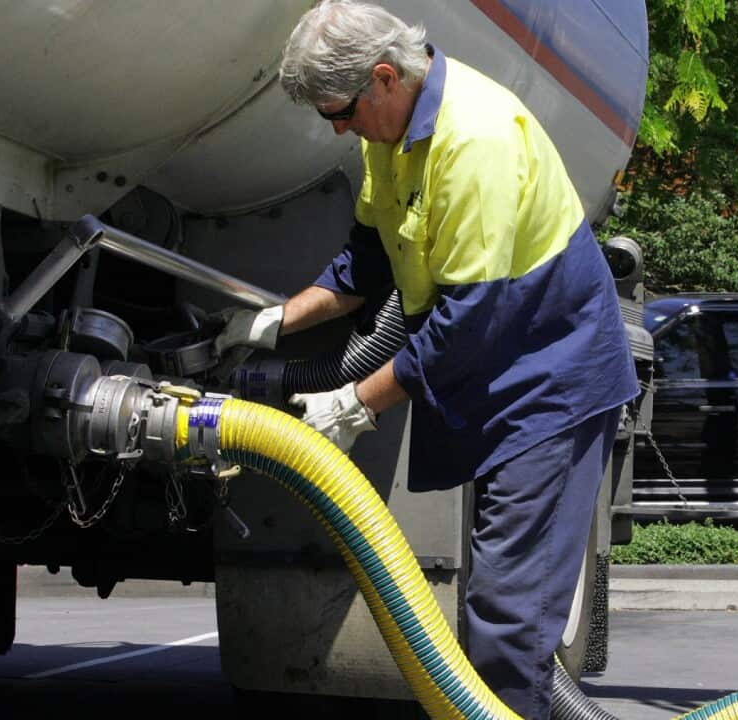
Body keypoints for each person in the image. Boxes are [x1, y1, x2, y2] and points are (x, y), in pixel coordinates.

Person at [212, 1, 638, 717]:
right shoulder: (392, 131)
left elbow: (464, 323)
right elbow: (365, 262)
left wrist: (355, 402)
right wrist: (272, 321)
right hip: (500, 378)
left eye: (339, 113)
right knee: (495, 612)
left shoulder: (475, 141)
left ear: (383, 77)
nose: (338, 129)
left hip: (551, 388)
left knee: (506, 625)